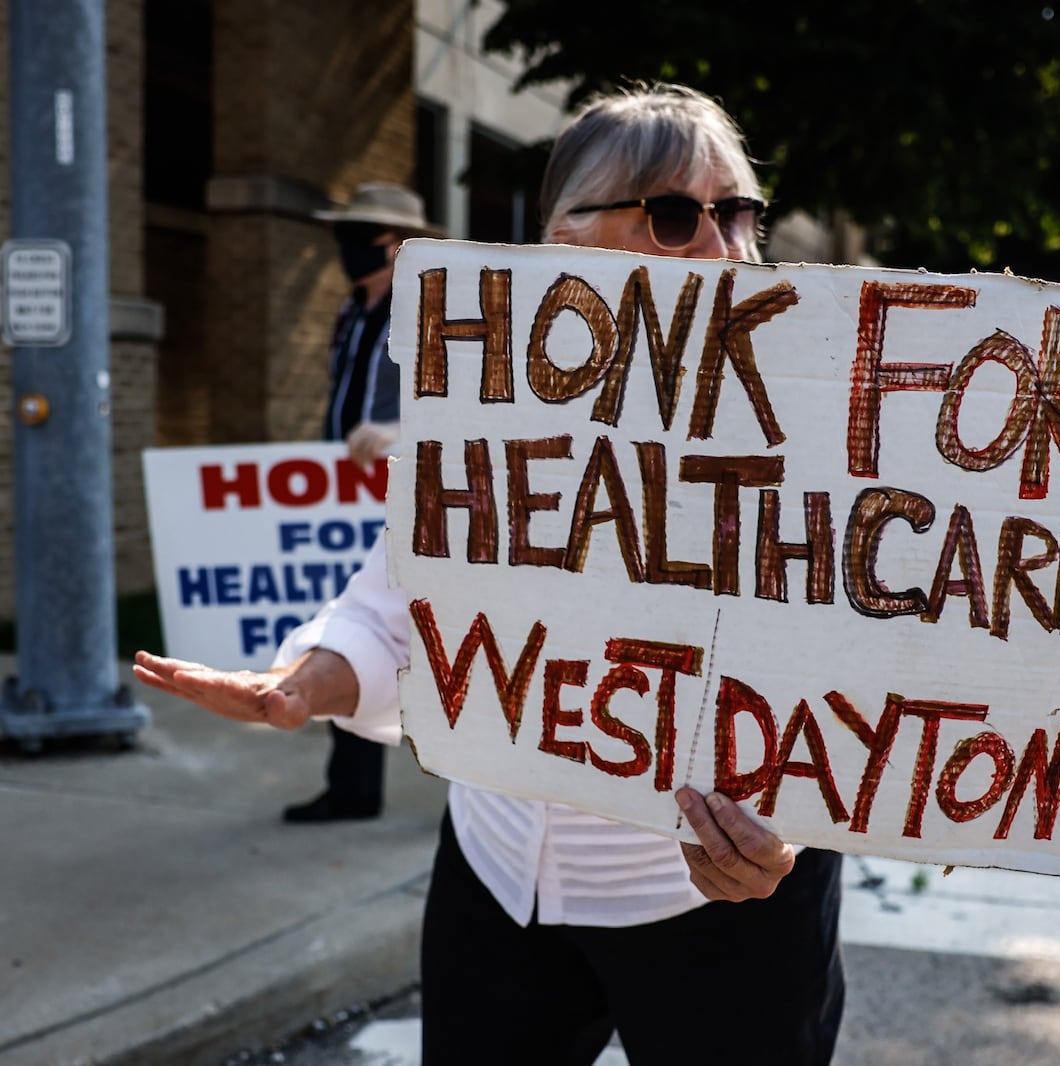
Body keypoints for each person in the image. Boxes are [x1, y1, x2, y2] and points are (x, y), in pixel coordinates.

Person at [135, 84, 844, 1066]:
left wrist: (788, 827)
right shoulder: (478, 409)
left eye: (736, 214)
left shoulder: (816, 429)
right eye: (677, 216)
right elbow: (394, 608)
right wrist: (298, 684)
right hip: (498, 874)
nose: (722, 248)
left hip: (720, 888)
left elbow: (863, 674)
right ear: (564, 240)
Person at [282, 182, 440, 824]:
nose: (346, 251)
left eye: (361, 238)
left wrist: (402, 434)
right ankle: (351, 786)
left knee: (433, 641)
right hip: (345, 496)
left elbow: (463, 413)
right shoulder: (351, 313)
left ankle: (472, 787)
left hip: (412, 493)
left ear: (398, 245)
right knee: (352, 625)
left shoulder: (429, 313)